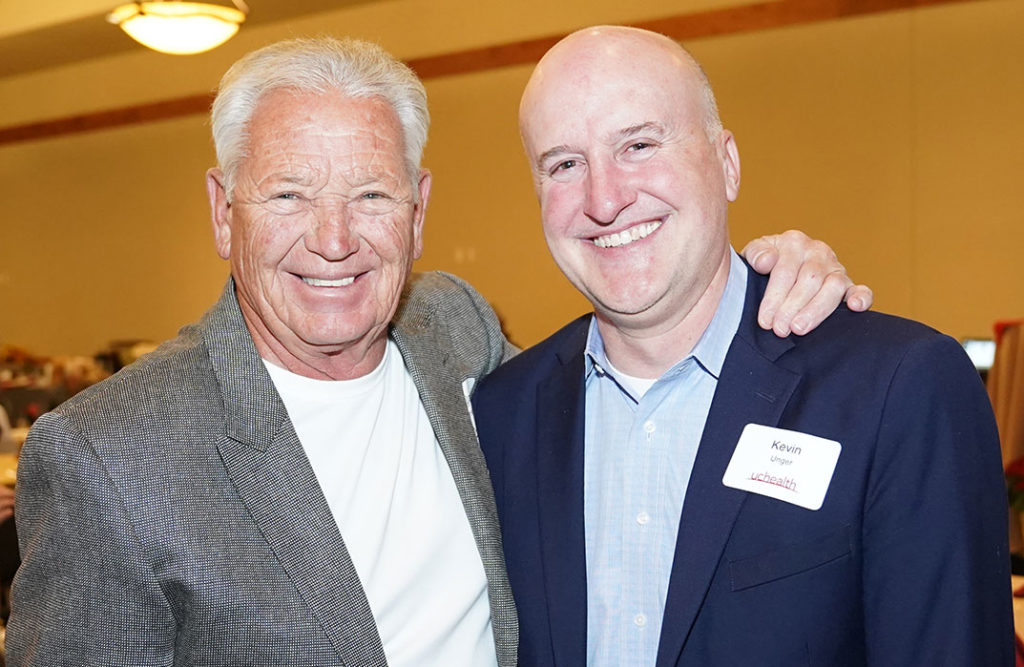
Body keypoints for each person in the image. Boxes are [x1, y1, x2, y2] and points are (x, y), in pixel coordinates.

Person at [9, 36, 864, 666]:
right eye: (288, 193)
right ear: (222, 209)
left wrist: (760, 274)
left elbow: (636, 374)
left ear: (418, 211)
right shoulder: (107, 459)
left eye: (371, 193)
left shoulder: (454, 330)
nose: (335, 239)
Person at [472, 26, 1013, 666]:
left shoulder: (896, 389)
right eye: (565, 164)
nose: (605, 199)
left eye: (639, 145)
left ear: (727, 163)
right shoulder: (504, 413)